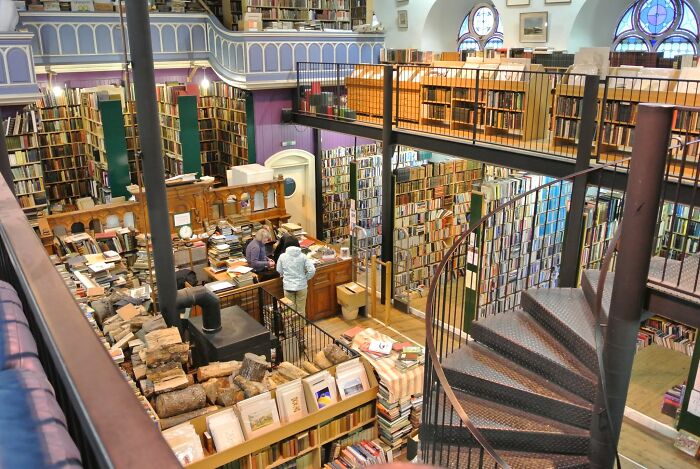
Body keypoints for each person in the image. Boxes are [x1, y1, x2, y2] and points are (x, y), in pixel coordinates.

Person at [276, 245, 316, 315]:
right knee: (301, 309)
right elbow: (312, 270)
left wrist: (284, 275)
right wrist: (305, 278)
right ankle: (301, 325)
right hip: (301, 286)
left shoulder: (282, 256)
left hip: (288, 286)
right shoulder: (303, 256)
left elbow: (279, 270)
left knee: (289, 310)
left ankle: (292, 326)